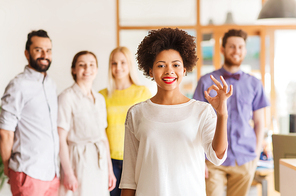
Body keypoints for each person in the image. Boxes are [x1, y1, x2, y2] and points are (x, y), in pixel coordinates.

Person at [119, 28, 232, 196]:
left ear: (185, 70)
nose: (169, 71)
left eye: (176, 65)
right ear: (150, 71)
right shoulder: (137, 113)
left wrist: (222, 114)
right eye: (161, 65)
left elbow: (217, 156)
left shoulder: (202, 111)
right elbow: (129, 177)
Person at [193, 29, 270, 196]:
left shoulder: (255, 84)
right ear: (222, 49)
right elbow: (196, 123)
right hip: (212, 158)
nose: (236, 51)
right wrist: (200, 160)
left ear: (245, 50)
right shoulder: (206, 81)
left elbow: (259, 123)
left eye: (240, 47)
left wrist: (255, 155)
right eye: (232, 46)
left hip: (244, 158)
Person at [0, 30, 60, 195]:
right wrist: (7, 167)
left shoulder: (51, 85)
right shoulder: (18, 85)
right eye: (38, 50)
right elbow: (5, 132)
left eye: (48, 50)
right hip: (27, 173)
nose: (44, 55)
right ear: (27, 53)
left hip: (51, 174)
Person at [58, 51, 116, 196]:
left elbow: (103, 137)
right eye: (82, 65)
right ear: (74, 70)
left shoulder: (100, 99)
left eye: (91, 65)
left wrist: (110, 170)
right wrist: (68, 173)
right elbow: (60, 138)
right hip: (77, 161)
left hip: (99, 162)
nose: (87, 69)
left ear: (96, 69)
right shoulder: (67, 97)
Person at [99, 46, 151, 196]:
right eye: (114, 63)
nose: (118, 67)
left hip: (135, 158)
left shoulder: (142, 92)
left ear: (129, 65)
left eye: (123, 62)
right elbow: (100, 129)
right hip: (110, 161)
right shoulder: (102, 96)